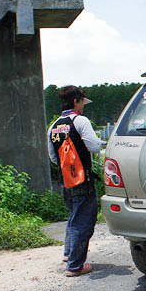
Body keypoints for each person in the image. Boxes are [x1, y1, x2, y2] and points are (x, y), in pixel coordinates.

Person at [48, 85, 101, 277]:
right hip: (82, 179)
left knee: (74, 216)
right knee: (84, 220)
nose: (83, 106)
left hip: (65, 180)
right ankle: (75, 266)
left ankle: (68, 254)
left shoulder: (54, 126)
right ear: (76, 101)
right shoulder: (80, 121)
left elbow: (53, 158)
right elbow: (94, 146)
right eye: (82, 102)